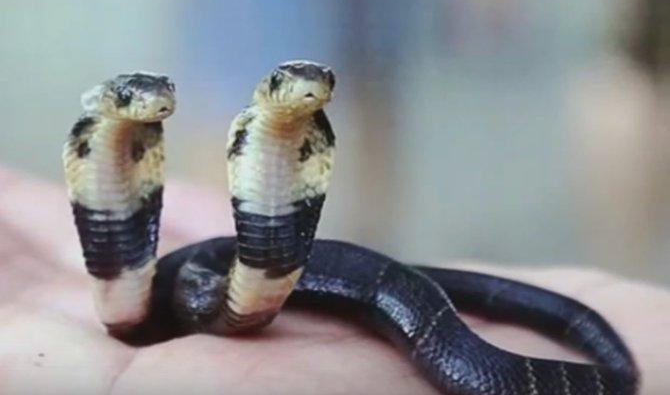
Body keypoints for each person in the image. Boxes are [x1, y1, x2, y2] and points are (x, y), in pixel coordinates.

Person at [0, 166, 667, 394]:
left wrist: (631, 378)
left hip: (373, 294)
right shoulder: (190, 276)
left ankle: (611, 365)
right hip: (202, 284)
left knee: (409, 291)